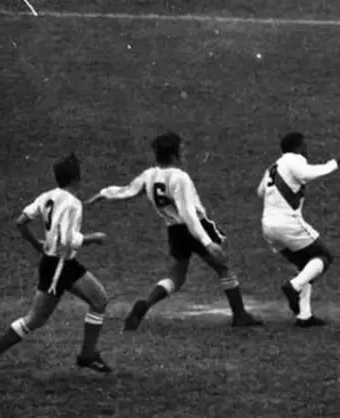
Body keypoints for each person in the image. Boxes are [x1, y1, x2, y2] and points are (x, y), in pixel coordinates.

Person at [85, 131, 262, 330]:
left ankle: (146, 303)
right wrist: (207, 242)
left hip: (174, 231)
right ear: (173, 154)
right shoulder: (180, 178)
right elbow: (188, 214)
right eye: (182, 149)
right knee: (223, 267)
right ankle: (239, 315)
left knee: (176, 276)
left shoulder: (149, 175)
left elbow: (127, 191)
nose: (184, 152)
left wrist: (103, 194)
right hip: (194, 227)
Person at [0, 153, 112, 379]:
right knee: (35, 320)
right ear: (77, 177)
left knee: (100, 300)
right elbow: (67, 240)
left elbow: (21, 221)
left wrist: (36, 244)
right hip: (58, 267)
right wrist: (93, 238)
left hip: (62, 263)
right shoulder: (73, 204)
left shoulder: (47, 196)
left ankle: (88, 354)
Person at [257, 132, 340, 327]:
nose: (307, 150)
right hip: (287, 223)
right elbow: (308, 173)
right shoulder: (294, 160)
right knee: (324, 256)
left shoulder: (273, 167)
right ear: (298, 147)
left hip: (268, 227)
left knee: (307, 267)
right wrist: (335, 164)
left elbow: (260, 191)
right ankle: (293, 287)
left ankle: (304, 315)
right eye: (305, 146)